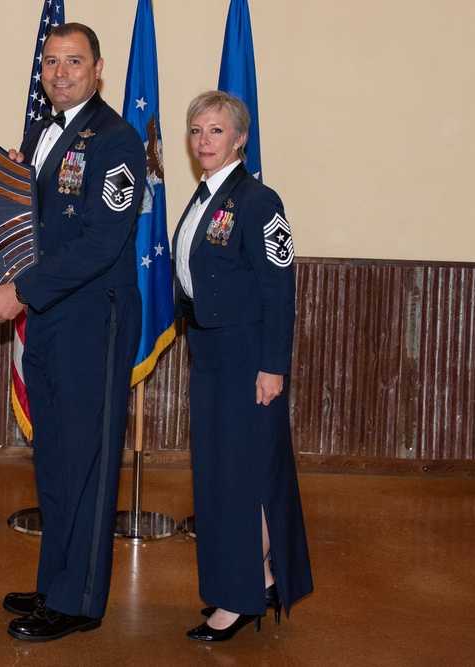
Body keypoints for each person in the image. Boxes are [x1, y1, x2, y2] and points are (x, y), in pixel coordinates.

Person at [0, 23, 146, 642]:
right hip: (48, 315)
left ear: (99, 69)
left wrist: (17, 292)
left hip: (91, 316)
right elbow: (24, 226)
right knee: (52, 456)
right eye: (51, 61)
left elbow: (102, 241)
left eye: (74, 61)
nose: (61, 72)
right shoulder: (41, 134)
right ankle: (55, 580)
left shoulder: (117, 141)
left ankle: (79, 600)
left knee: (88, 460)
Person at [173, 90, 313, 642]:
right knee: (221, 476)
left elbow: (280, 292)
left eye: (215, 131)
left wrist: (273, 366)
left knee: (244, 476)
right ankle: (259, 578)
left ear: (240, 138)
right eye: (196, 131)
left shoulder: (259, 201)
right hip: (209, 355)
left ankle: (240, 597)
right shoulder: (204, 197)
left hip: (247, 359)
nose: (204, 141)